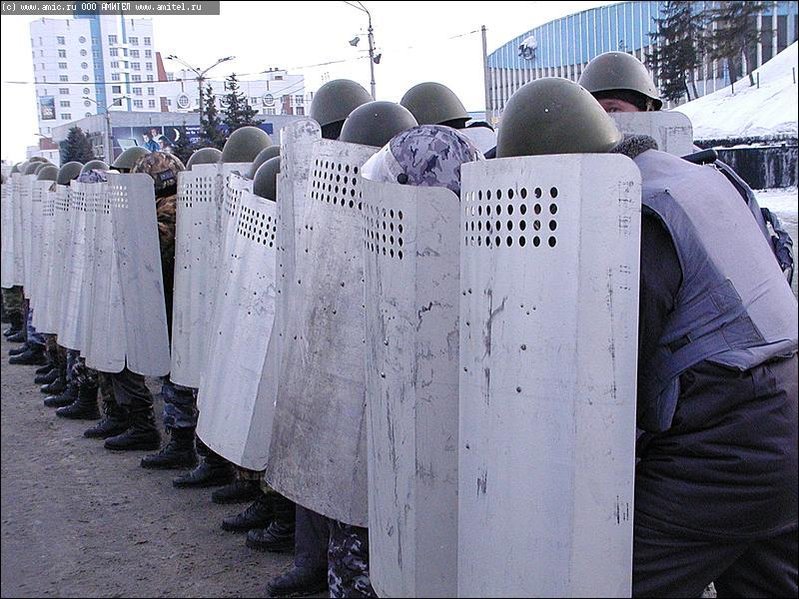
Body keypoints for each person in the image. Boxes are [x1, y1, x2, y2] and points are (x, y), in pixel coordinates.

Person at [498, 77, 798, 598]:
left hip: (729, 438)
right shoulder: (689, 175)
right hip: (783, 408)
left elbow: (614, 373)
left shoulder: (629, 212)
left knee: (608, 581)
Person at [579, 50, 794, 283]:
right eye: (594, 112)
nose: (603, 121)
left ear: (648, 110)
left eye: (613, 110)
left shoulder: (694, 171)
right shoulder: (594, 173)